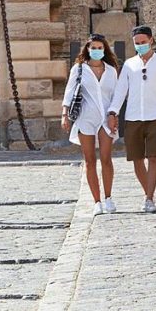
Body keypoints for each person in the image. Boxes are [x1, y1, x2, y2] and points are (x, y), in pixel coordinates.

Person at [107, 25, 156, 213]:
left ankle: (148, 198)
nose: (140, 46)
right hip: (132, 118)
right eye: (136, 43)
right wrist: (113, 112)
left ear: (151, 41)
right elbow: (121, 90)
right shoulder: (129, 65)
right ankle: (150, 194)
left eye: (143, 42)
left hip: (155, 116)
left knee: (153, 157)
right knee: (137, 159)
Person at [63, 34, 120, 216]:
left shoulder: (111, 71)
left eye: (99, 47)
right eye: (93, 47)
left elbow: (116, 95)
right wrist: (65, 114)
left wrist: (114, 114)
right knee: (89, 160)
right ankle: (96, 201)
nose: (96, 50)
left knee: (106, 158)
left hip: (105, 117)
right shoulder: (79, 69)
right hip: (85, 118)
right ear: (87, 49)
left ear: (105, 49)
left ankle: (109, 198)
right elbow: (69, 92)